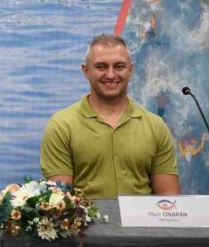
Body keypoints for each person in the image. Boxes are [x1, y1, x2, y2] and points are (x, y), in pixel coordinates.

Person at [40, 34, 180, 198]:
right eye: (101, 67)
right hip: (84, 216)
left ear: (130, 70)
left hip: (143, 217)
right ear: (86, 71)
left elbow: (168, 201)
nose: (111, 75)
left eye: (119, 66)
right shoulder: (61, 126)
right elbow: (60, 202)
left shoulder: (156, 127)